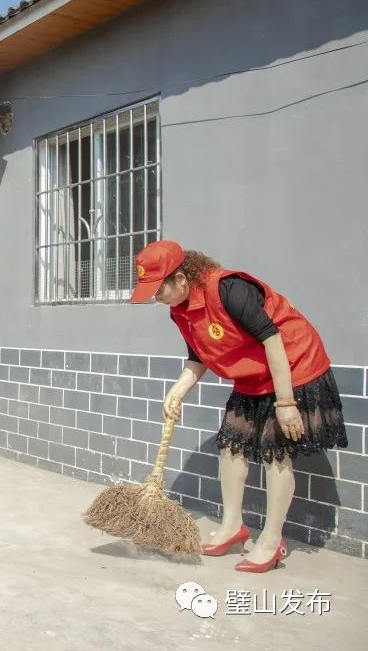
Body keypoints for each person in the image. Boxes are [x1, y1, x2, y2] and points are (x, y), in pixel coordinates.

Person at [131, 239, 347, 572]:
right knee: (231, 446)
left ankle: (271, 541)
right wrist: (178, 389)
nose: (156, 298)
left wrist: (286, 402)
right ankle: (233, 527)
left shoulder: (228, 289)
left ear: (181, 278)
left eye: (158, 289)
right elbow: (198, 355)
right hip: (253, 374)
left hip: (293, 367)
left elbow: (272, 339)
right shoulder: (180, 310)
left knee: (276, 451)